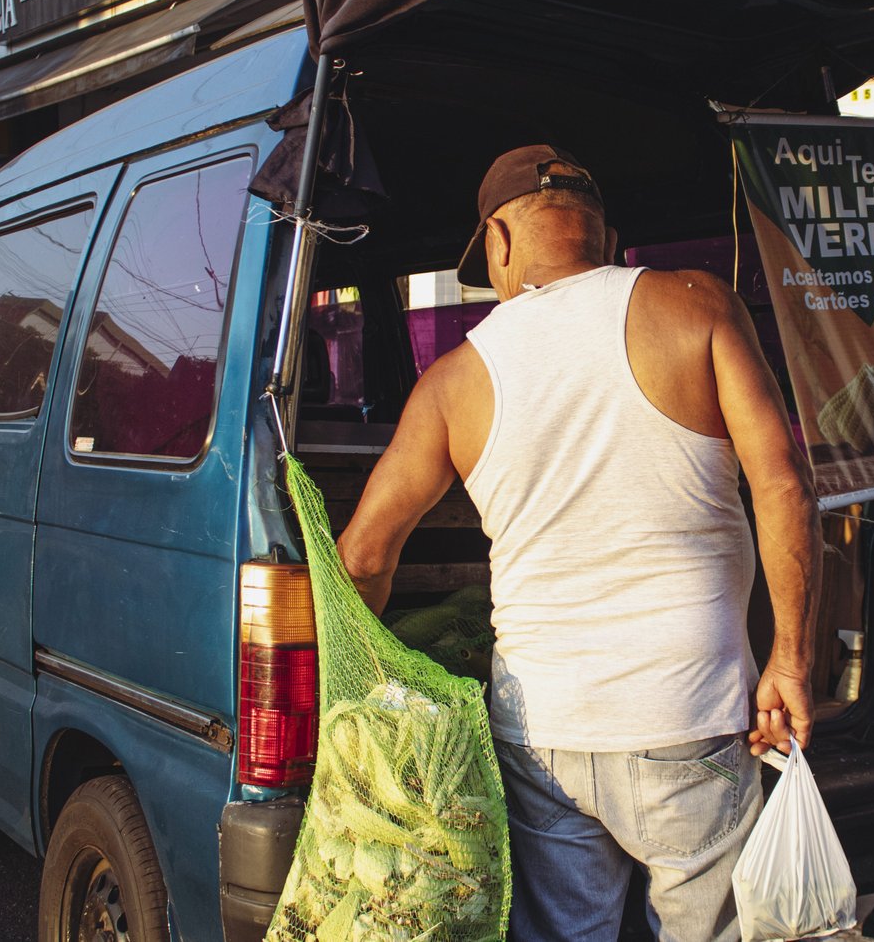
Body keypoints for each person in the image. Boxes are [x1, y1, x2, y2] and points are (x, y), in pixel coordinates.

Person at [336, 145, 822, 941]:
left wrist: (365, 701)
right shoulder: (698, 306)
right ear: (606, 233)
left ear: (498, 239)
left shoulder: (454, 380)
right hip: (689, 715)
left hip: (542, 734)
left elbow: (361, 556)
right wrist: (792, 660)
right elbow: (784, 484)